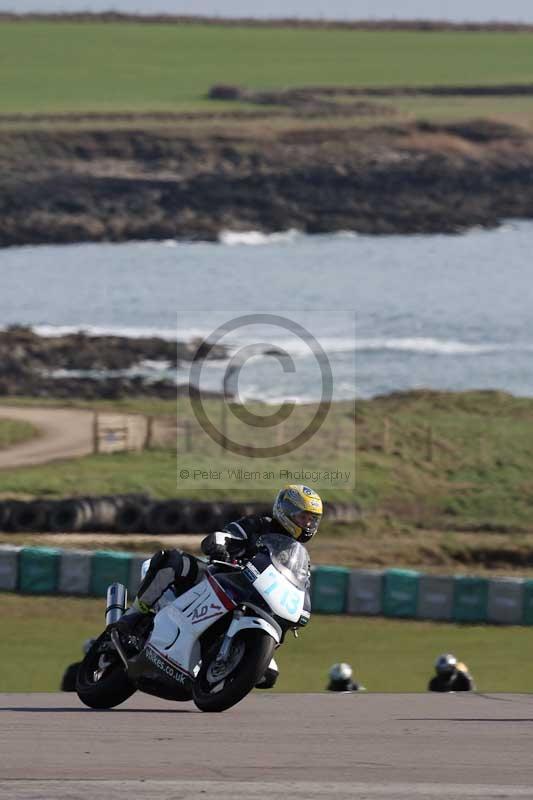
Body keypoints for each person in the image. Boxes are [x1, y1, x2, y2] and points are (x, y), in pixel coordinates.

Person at [109, 484, 323, 688]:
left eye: (312, 520)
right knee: (173, 560)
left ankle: (222, 658)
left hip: (252, 603)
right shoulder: (258, 525)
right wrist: (220, 546)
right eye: (303, 517)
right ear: (285, 511)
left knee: (268, 675)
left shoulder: (298, 557)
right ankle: (134, 615)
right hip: (221, 579)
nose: (307, 524)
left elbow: (300, 585)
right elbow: (227, 534)